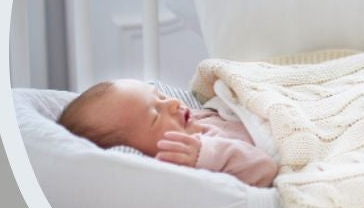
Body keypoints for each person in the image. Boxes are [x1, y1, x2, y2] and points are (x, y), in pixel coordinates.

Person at [55, 79, 276, 187]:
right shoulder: (200, 155)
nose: (172, 104)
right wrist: (205, 153)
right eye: (155, 115)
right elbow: (265, 168)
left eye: (160, 96)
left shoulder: (192, 117)